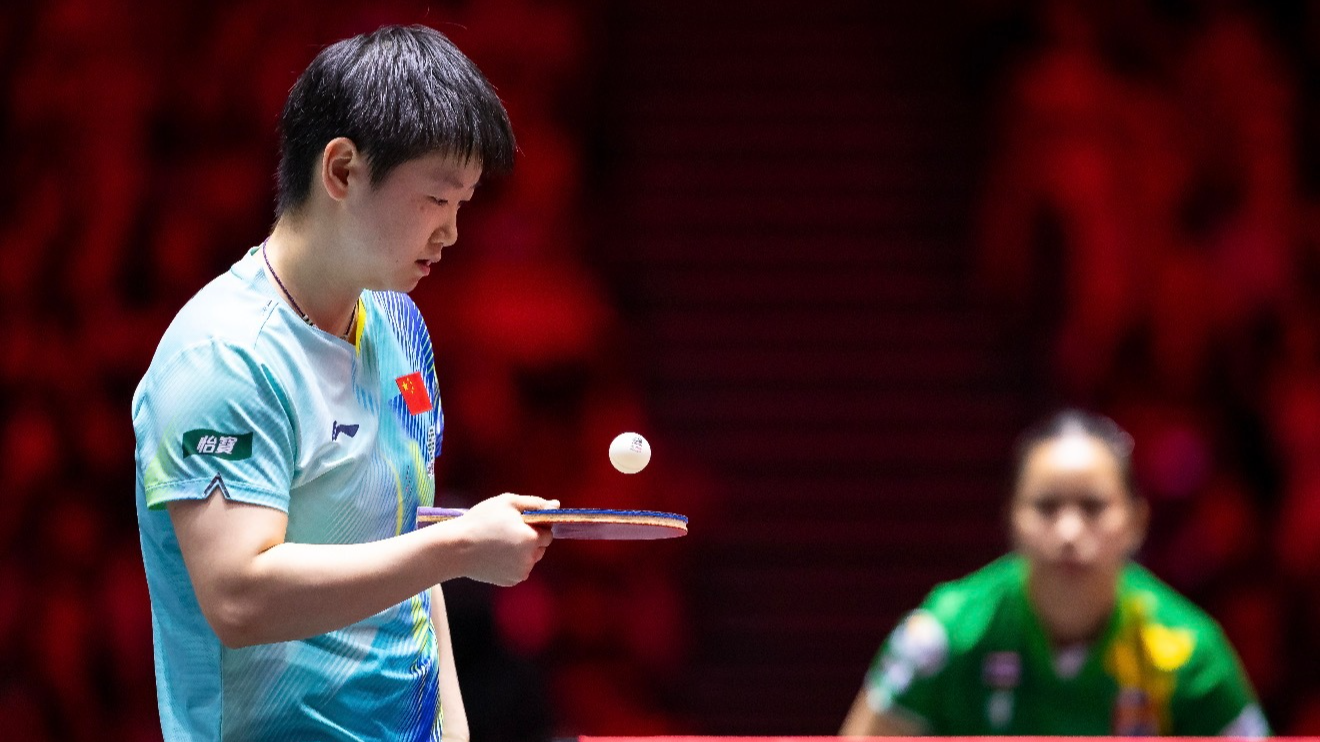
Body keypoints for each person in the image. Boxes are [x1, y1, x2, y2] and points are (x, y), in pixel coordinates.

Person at [132, 25, 558, 742]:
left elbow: (408, 560)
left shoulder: (399, 328)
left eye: (464, 204)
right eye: (436, 199)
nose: (452, 232)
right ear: (341, 171)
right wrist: (459, 549)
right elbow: (239, 597)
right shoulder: (224, 357)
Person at [839, 409, 1269, 737]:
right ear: (1011, 520)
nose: (1068, 531)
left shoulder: (1189, 653)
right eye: (1046, 507)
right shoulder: (945, 635)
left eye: (1093, 507)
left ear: (1137, 522)